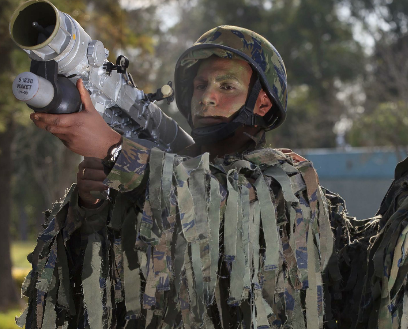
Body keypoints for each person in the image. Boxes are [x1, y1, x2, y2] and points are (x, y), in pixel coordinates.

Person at [20, 26, 342, 328]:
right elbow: (104, 282)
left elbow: (215, 206)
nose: (207, 97)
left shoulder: (288, 178)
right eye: (201, 85)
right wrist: (92, 207)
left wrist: (114, 150)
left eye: (226, 86)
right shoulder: (157, 174)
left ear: (262, 101)